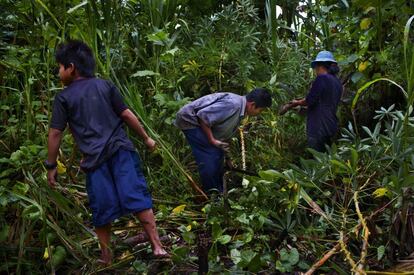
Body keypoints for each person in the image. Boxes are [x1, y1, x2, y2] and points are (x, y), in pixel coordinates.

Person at [45, 40, 168, 265]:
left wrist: (51, 165)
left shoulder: (64, 98)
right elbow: (127, 115)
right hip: (121, 151)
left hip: (95, 161)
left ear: (71, 68)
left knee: (101, 208)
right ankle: (157, 246)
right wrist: (147, 139)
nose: (58, 72)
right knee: (136, 196)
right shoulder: (105, 85)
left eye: (60, 67)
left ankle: (106, 257)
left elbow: (55, 133)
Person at [175, 89, 272, 193]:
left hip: (202, 123)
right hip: (190, 120)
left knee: (217, 154)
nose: (259, 114)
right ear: (253, 105)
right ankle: (212, 194)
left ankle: (219, 190)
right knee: (210, 154)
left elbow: (224, 136)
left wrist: (227, 158)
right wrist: (212, 140)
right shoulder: (233, 105)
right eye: (260, 110)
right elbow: (203, 117)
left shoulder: (240, 110)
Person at [290, 50, 343, 152]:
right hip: (331, 124)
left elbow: (310, 100)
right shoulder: (337, 82)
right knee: (326, 157)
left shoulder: (321, 78)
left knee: (316, 158)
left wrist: (297, 102)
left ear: (319, 66)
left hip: (318, 125)